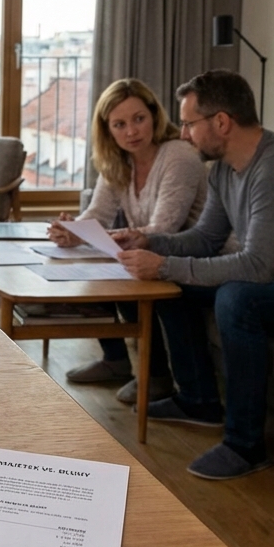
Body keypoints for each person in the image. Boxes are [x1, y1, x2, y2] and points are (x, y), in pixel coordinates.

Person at [115, 70, 274, 481]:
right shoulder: (222, 169)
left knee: (237, 298)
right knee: (175, 286)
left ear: (221, 122)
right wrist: (150, 245)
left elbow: (257, 266)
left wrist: (165, 264)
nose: (183, 135)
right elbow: (205, 239)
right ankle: (199, 400)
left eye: (188, 124)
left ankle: (246, 445)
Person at [48, 78, 207, 404]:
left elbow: (165, 228)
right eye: (119, 124)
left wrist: (93, 235)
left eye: (139, 119)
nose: (131, 131)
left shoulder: (178, 155)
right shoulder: (117, 162)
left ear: (154, 115)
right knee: (96, 266)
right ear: (108, 131)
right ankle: (116, 361)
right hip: (150, 249)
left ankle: (156, 379)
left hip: (194, 253)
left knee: (123, 271)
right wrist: (72, 231)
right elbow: (97, 216)